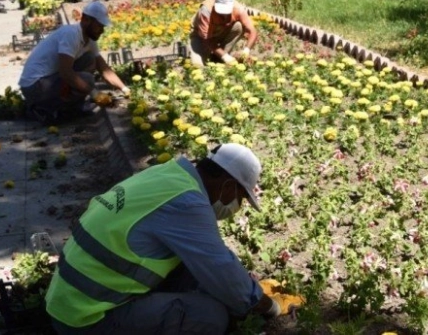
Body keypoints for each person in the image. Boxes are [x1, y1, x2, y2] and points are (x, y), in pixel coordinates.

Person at [44, 143, 299, 334]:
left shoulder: (169, 176)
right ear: (229, 186)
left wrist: (242, 289)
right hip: (86, 320)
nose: (236, 206)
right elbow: (219, 266)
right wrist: (269, 307)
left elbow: (208, 264)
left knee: (194, 273)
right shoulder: (187, 203)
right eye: (241, 199)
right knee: (210, 316)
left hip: (69, 301)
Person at [18, 1, 129, 125]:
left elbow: (103, 68)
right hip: (34, 86)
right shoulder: (71, 34)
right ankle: (44, 109)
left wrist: (124, 89)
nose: (102, 30)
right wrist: (93, 93)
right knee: (87, 80)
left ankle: (71, 106)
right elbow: (66, 73)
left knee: (90, 59)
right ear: (86, 20)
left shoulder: (89, 38)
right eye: (99, 26)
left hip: (47, 79)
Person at [189, 0, 258, 66]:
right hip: (200, 37)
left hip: (220, 32)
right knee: (198, 65)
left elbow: (253, 31)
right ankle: (220, 55)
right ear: (215, 3)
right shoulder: (206, 10)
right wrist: (225, 57)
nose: (223, 14)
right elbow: (206, 40)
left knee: (238, 27)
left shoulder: (238, 9)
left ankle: (218, 57)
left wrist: (246, 50)